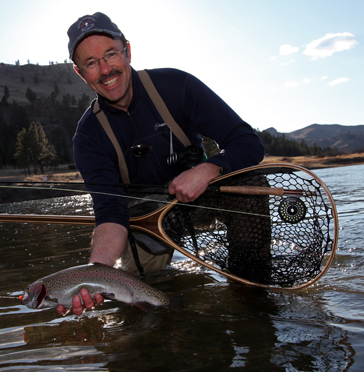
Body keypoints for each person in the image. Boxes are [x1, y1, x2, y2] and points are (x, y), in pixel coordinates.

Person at [58, 12, 265, 315]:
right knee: (143, 309)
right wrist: (94, 276)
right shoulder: (88, 137)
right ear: (80, 73)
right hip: (143, 222)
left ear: (127, 51)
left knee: (252, 182)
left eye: (111, 54)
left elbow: (248, 142)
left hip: (202, 196)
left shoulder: (176, 86)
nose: (105, 69)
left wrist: (207, 169)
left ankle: (249, 292)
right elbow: (111, 214)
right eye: (91, 63)